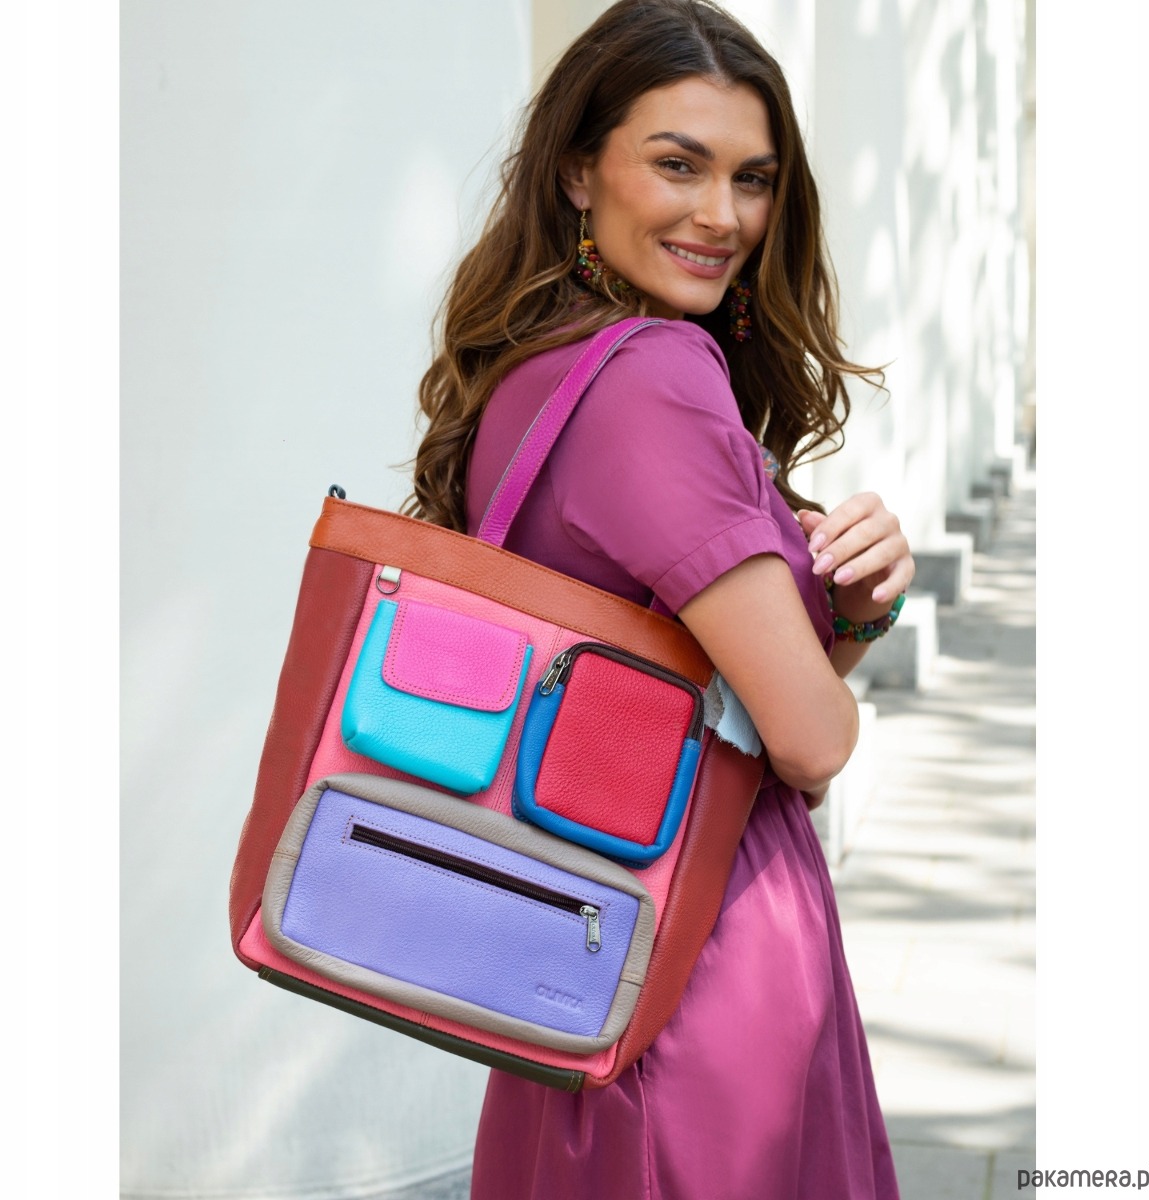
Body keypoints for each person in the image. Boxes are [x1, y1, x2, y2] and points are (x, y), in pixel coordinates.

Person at [406, 2, 912, 1196]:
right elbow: (807, 738)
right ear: (578, 170)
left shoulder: (533, 371)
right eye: (678, 164)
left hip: (571, 939)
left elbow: (709, 687)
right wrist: (853, 623)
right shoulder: (657, 379)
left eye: (752, 179)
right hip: (704, 954)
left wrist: (841, 611)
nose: (722, 215)